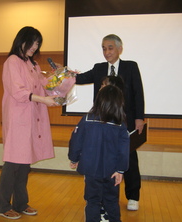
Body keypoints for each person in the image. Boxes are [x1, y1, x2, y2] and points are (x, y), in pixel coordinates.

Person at [76, 34, 145, 211]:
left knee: (128, 157)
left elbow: (138, 92)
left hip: (125, 121)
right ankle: (100, 197)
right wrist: (63, 74)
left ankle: (133, 196)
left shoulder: (130, 67)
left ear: (119, 49)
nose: (107, 52)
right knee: (103, 158)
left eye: (110, 48)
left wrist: (139, 118)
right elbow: (80, 78)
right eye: (104, 48)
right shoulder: (99, 68)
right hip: (101, 123)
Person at [0, 26, 58, 220]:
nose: (35, 46)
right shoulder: (12, 62)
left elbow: (45, 87)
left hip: (31, 118)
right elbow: (19, 91)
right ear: (22, 40)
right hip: (17, 118)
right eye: (33, 41)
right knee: (13, 162)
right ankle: (2, 205)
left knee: (25, 163)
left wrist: (59, 78)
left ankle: (21, 203)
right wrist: (43, 99)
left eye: (38, 43)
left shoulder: (34, 65)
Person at [68, 85, 130, 222]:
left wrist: (74, 158)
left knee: (92, 201)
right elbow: (124, 150)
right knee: (112, 201)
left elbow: (76, 140)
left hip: (91, 170)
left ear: (98, 100)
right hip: (112, 171)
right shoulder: (120, 124)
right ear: (119, 103)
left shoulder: (87, 119)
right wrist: (120, 170)